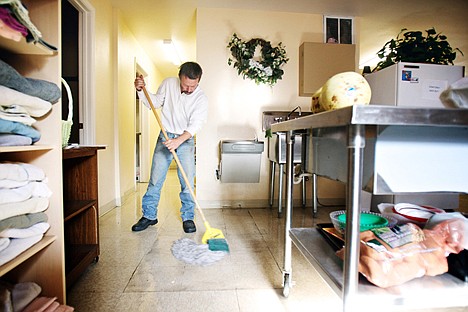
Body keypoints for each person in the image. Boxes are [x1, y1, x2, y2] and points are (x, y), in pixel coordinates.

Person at [132, 62, 208, 233]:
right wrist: (140, 90)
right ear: (179, 77)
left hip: (185, 140)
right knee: (155, 180)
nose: (188, 89)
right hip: (165, 137)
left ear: (198, 81)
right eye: (185, 85)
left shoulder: (201, 98)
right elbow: (154, 103)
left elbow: (196, 124)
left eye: (193, 86)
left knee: (187, 182)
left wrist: (178, 140)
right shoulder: (168, 83)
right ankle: (149, 216)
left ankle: (188, 217)